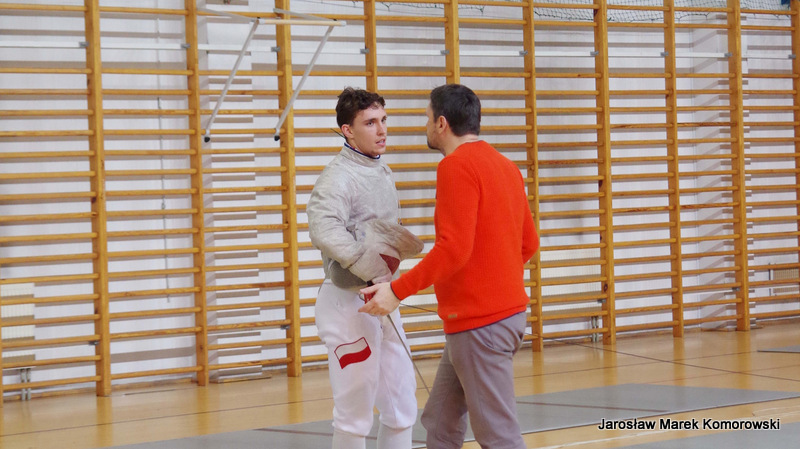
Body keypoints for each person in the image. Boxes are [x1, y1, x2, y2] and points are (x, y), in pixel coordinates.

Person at [359, 84, 539, 449]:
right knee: (440, 423)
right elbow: (528, 244)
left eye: (427, 118)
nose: (425, 126)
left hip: (481, 326)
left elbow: (453, 249)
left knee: (499, 436)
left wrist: (397, 291)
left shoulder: (455, 166)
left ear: (442, 123)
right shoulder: (506, 166)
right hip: (493, 321)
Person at [307, 87, 422, 449]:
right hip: (347, 305)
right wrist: (369, 264)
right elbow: (323, 228)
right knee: (355, 414)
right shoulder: (338, 176)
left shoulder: (380, 169)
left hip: (382, 300)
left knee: (402, 407)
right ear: (348, 130)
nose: (381, 130)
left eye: (383, 120)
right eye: (370, 123)